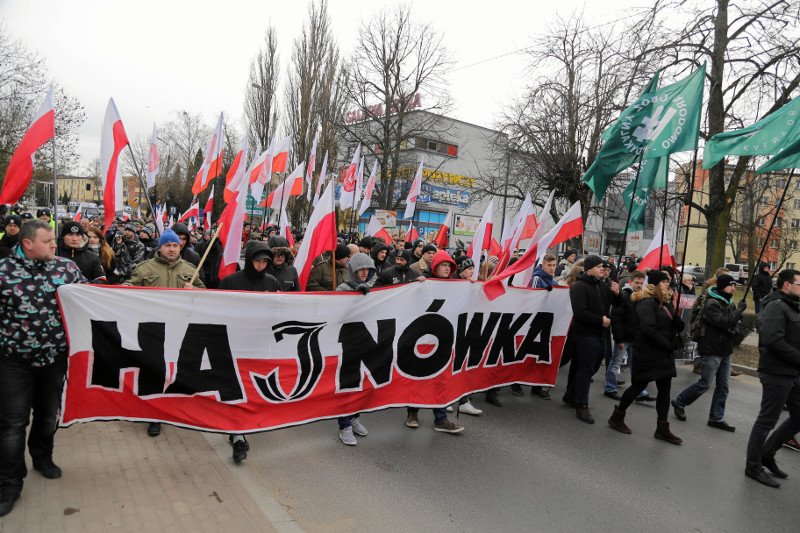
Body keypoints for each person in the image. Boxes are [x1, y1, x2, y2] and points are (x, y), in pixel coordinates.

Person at [0, 220, 86, 517]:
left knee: (49, 414)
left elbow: (91, 302)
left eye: (53, 241)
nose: (54, 245)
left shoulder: (67, 269)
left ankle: (42, 457)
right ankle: (9, 482)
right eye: (48, 241)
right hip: (13, 362)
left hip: (54, 359)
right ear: (27, 244)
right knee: (12, 424)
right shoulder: (3, 273)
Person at [123, 228, 205, 437]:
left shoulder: (190, 269)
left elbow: (206, 295)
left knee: (178, 368)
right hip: (152, 329)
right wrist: (125, 288)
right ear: (160, 247)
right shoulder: (144, 269)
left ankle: (175, 407)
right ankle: (154, 415)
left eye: (175, 245)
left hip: (179, 327)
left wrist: (194, 290)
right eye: (168, 245)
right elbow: (127, 288)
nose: (171, 249)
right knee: (154, 371)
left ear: (180, 247)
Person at [607, 270, 684, 445]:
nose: (667, 285)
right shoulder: (645, 303)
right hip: (648, 352)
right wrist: (666, 344)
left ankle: (662, 428)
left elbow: (668, 324)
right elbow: (649, 328)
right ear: (655, 284)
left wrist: (677, 323)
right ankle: (617, 416)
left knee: (664, 391)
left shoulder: (665, 302)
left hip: (663, 354)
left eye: (668, 282)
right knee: (638, 386)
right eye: (664, 282)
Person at [217, 241, 278, 461]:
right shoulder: (231, 281)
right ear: (249, 259)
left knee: (251, 389)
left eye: (265, 262)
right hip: (234, 344)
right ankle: (237, 436)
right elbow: (216, 309)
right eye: (257, 260)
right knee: (236, 389)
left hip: (260, 346)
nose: (261, 265)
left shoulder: (271, 282)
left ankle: (240, 429)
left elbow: (276, 312)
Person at [744, 269, 800, 488]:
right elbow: (772, 340)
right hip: (776, 372)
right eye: (799, 284)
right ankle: (753, 465)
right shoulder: (776, 306)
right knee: (767, 420)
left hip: (793, 372)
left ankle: (767, 453)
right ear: (787, 285)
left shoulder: (792, 306)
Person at [672, 274, 745, 431]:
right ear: (722, 286)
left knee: (724, 385)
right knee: (705, 383)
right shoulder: (712, 303)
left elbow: (734, 324)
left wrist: (735, 326)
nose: (734, 288)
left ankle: (716, 417)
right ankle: (680, 401)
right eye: (731, 285)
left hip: (725, 349)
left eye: (735, 285)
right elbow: (722, 321)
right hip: (711, 349)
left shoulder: (729, 303)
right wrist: (738, 312)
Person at [405, 250, 465, 434]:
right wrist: (417, 285)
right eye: (444, 265)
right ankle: (412, 413)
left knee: (441, 380)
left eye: (449, 266)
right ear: (435, 266)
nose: (447, 269)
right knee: (418, 378)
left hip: (445, 340)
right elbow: (408, 301)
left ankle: (441, 419)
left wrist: (471, 288)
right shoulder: (424, 281)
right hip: (422, 338)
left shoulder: (456, 286)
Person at [562, 255, 620, 423]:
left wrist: (616, 294)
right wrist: (599, 320)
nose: (603, 268)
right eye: (599, 266)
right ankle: (581, 405)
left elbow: (616, 304)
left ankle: (571, 394)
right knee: (586, 369)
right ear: (589, 269)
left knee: (592, 366)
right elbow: (579, 312)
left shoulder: (602, 286)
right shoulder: (580, 287)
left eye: (603, 266)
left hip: (599, 334)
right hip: (584, 333)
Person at [335, 252, 376, 446]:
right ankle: (344, 426)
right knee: (347, 385)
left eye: (367, 269)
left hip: (364, 341)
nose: (364, 273)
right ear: (353, 270)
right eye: (360, 269)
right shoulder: (343, 288)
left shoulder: (371, 288)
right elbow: (336, 314)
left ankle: (354, 417)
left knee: (360, 385)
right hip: (347, 343)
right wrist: (353, 297)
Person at [512, 253, 558, 400]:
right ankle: (516, 382)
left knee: (541, 355)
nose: (551, 268)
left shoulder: (554, 281)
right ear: (542, 265)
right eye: (549, 265)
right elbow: (532, 298)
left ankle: (536, 386)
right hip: (533, 322)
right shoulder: (537, 279)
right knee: (525, 353)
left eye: (553, 265)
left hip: (546, 322)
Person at [605, 270, 646, 400]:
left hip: (636, 337)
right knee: (615, 363)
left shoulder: (641, 297)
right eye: (637, 282)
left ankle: (639, 391)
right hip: (624, 337)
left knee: (637, 365)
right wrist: (619, 338)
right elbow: (616, 319)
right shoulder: (624, 296)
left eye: (641, 283)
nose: (639, 285)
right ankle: (610, 388)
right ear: (630, 282)